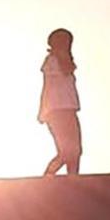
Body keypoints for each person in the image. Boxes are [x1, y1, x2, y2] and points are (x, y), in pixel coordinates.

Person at [38, 28, 82, 175]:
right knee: (66, 152)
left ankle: (73, 181)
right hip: (56, 111)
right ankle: (46, 179)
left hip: (70, 109)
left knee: (76, 152)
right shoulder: (51, 61)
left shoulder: (67, 63)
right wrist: (41, 110)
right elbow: (46, 86)